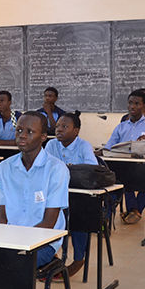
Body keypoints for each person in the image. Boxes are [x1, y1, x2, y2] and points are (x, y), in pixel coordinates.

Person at [0, 111, 69, 289]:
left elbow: (49, 222)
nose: (22, 136)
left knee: (15, 274)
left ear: (44, 137)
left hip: (44, 241)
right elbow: (2, 218)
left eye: (30, 132)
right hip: (12, 239)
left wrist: (13, 246)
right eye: (19, 131)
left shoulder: (56, 169)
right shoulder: (5, 167)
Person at [102, 89, 145, 224]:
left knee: (143, 181)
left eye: (137, 103)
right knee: (120, 178)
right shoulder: (121, 126)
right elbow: (109, 148)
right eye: (130, 103)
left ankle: (134, 210)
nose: (132, 106)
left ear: (144, 106)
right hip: (124, 168)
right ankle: (131, 211)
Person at [44, 111, 96, 277]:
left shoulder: (84, 145)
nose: (59, 129)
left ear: (76, 131)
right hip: (55, 192)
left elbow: (91, 169)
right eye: (58, 126)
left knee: (79, 218)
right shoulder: (51, 145)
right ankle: (49, 257)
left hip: (78, 195)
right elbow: (45, 169)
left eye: (64, 126)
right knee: (42, 214)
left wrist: (65, 169)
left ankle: (79, 258)